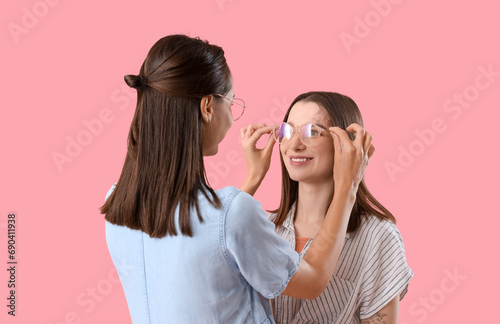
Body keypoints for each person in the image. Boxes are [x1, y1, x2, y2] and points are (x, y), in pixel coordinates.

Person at [100, 35, 375, 324]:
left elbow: (207, 252)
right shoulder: (231, 213)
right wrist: (348, 186)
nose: (232, 119)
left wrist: (252, 180)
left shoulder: (118, 204)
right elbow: (313, 280)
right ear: (207, 107)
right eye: (231, 103)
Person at [241, 92, 413, 324]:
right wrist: (252, 177)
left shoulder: (378, 236)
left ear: (347, 144)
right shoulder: (263, 227)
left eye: (312, 131)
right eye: (287, 131)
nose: (294, 144)